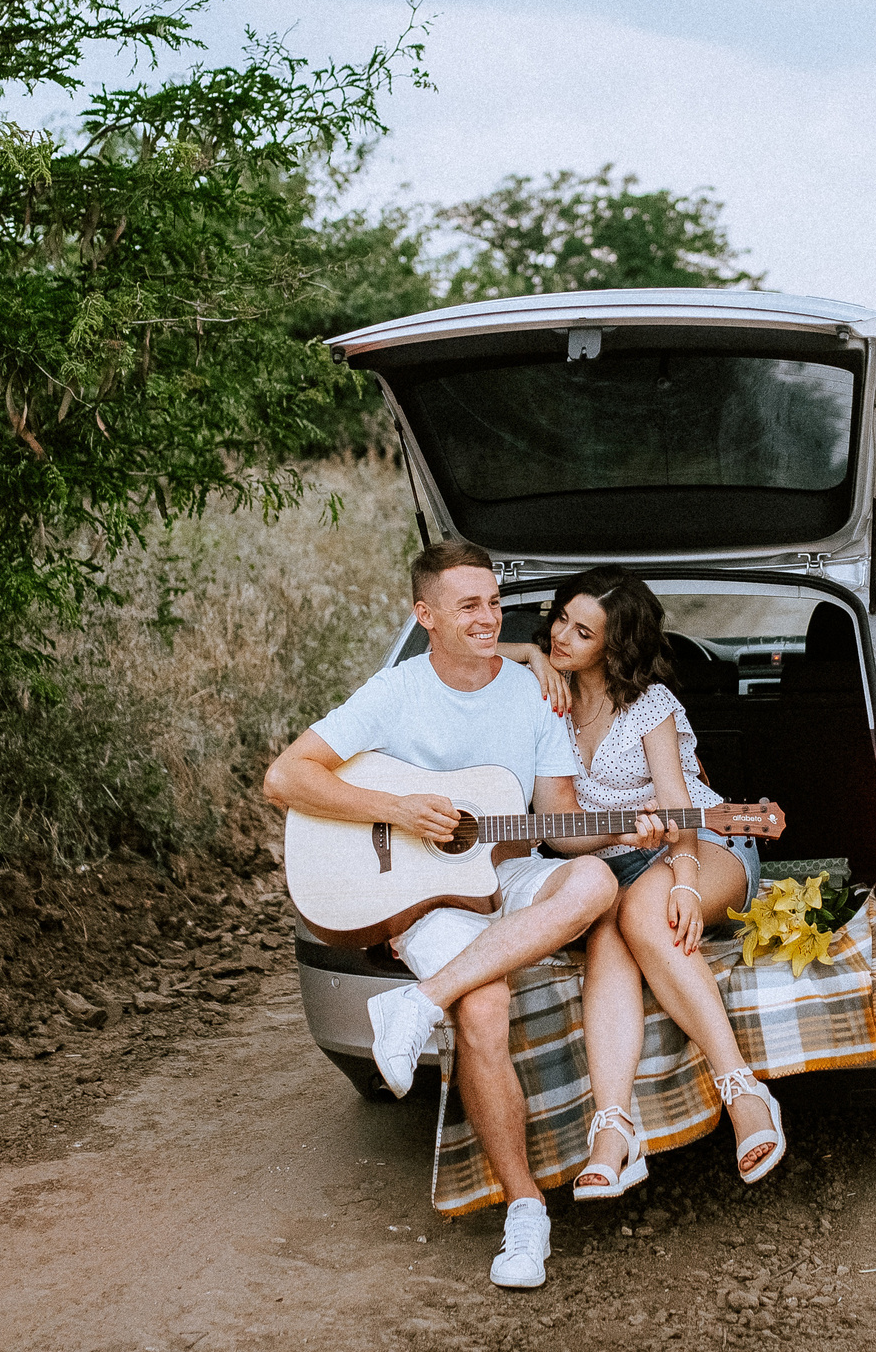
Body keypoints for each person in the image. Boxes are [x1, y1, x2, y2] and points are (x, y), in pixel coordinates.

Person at [261, 540, 654, 1290]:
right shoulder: (394, 692)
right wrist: (397, 808)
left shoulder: (535, 693)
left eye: (494, 602)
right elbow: (286, 776)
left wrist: (630, 823)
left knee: (595, 884)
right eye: (468, 604)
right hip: (422, 891)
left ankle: (417, 1003)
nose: (488, 615)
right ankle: (526, 1210)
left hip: (506, 876)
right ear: (426, 615)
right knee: (485, 1003)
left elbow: (560, 820)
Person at [502, 566, 787, 1201]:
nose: (561, 637)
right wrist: (523, 650)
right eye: (559, 621)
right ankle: (614, 1130)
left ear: (615, 645)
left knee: (643, 914)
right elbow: (561, 829)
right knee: (612, 925)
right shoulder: (542, 693)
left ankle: (743, 1092)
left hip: (705, 842)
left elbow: (680, 807)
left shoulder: (651, 707)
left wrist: (685, 880)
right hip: (612, 859)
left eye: (583, 631)